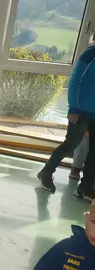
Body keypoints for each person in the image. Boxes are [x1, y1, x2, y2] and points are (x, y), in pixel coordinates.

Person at [38, 40, 95, 200]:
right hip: (81, 111)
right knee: (70, 145)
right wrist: (74, 108)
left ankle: (85, 188)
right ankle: (46, 172)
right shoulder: (90, 55)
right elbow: (75, 81)